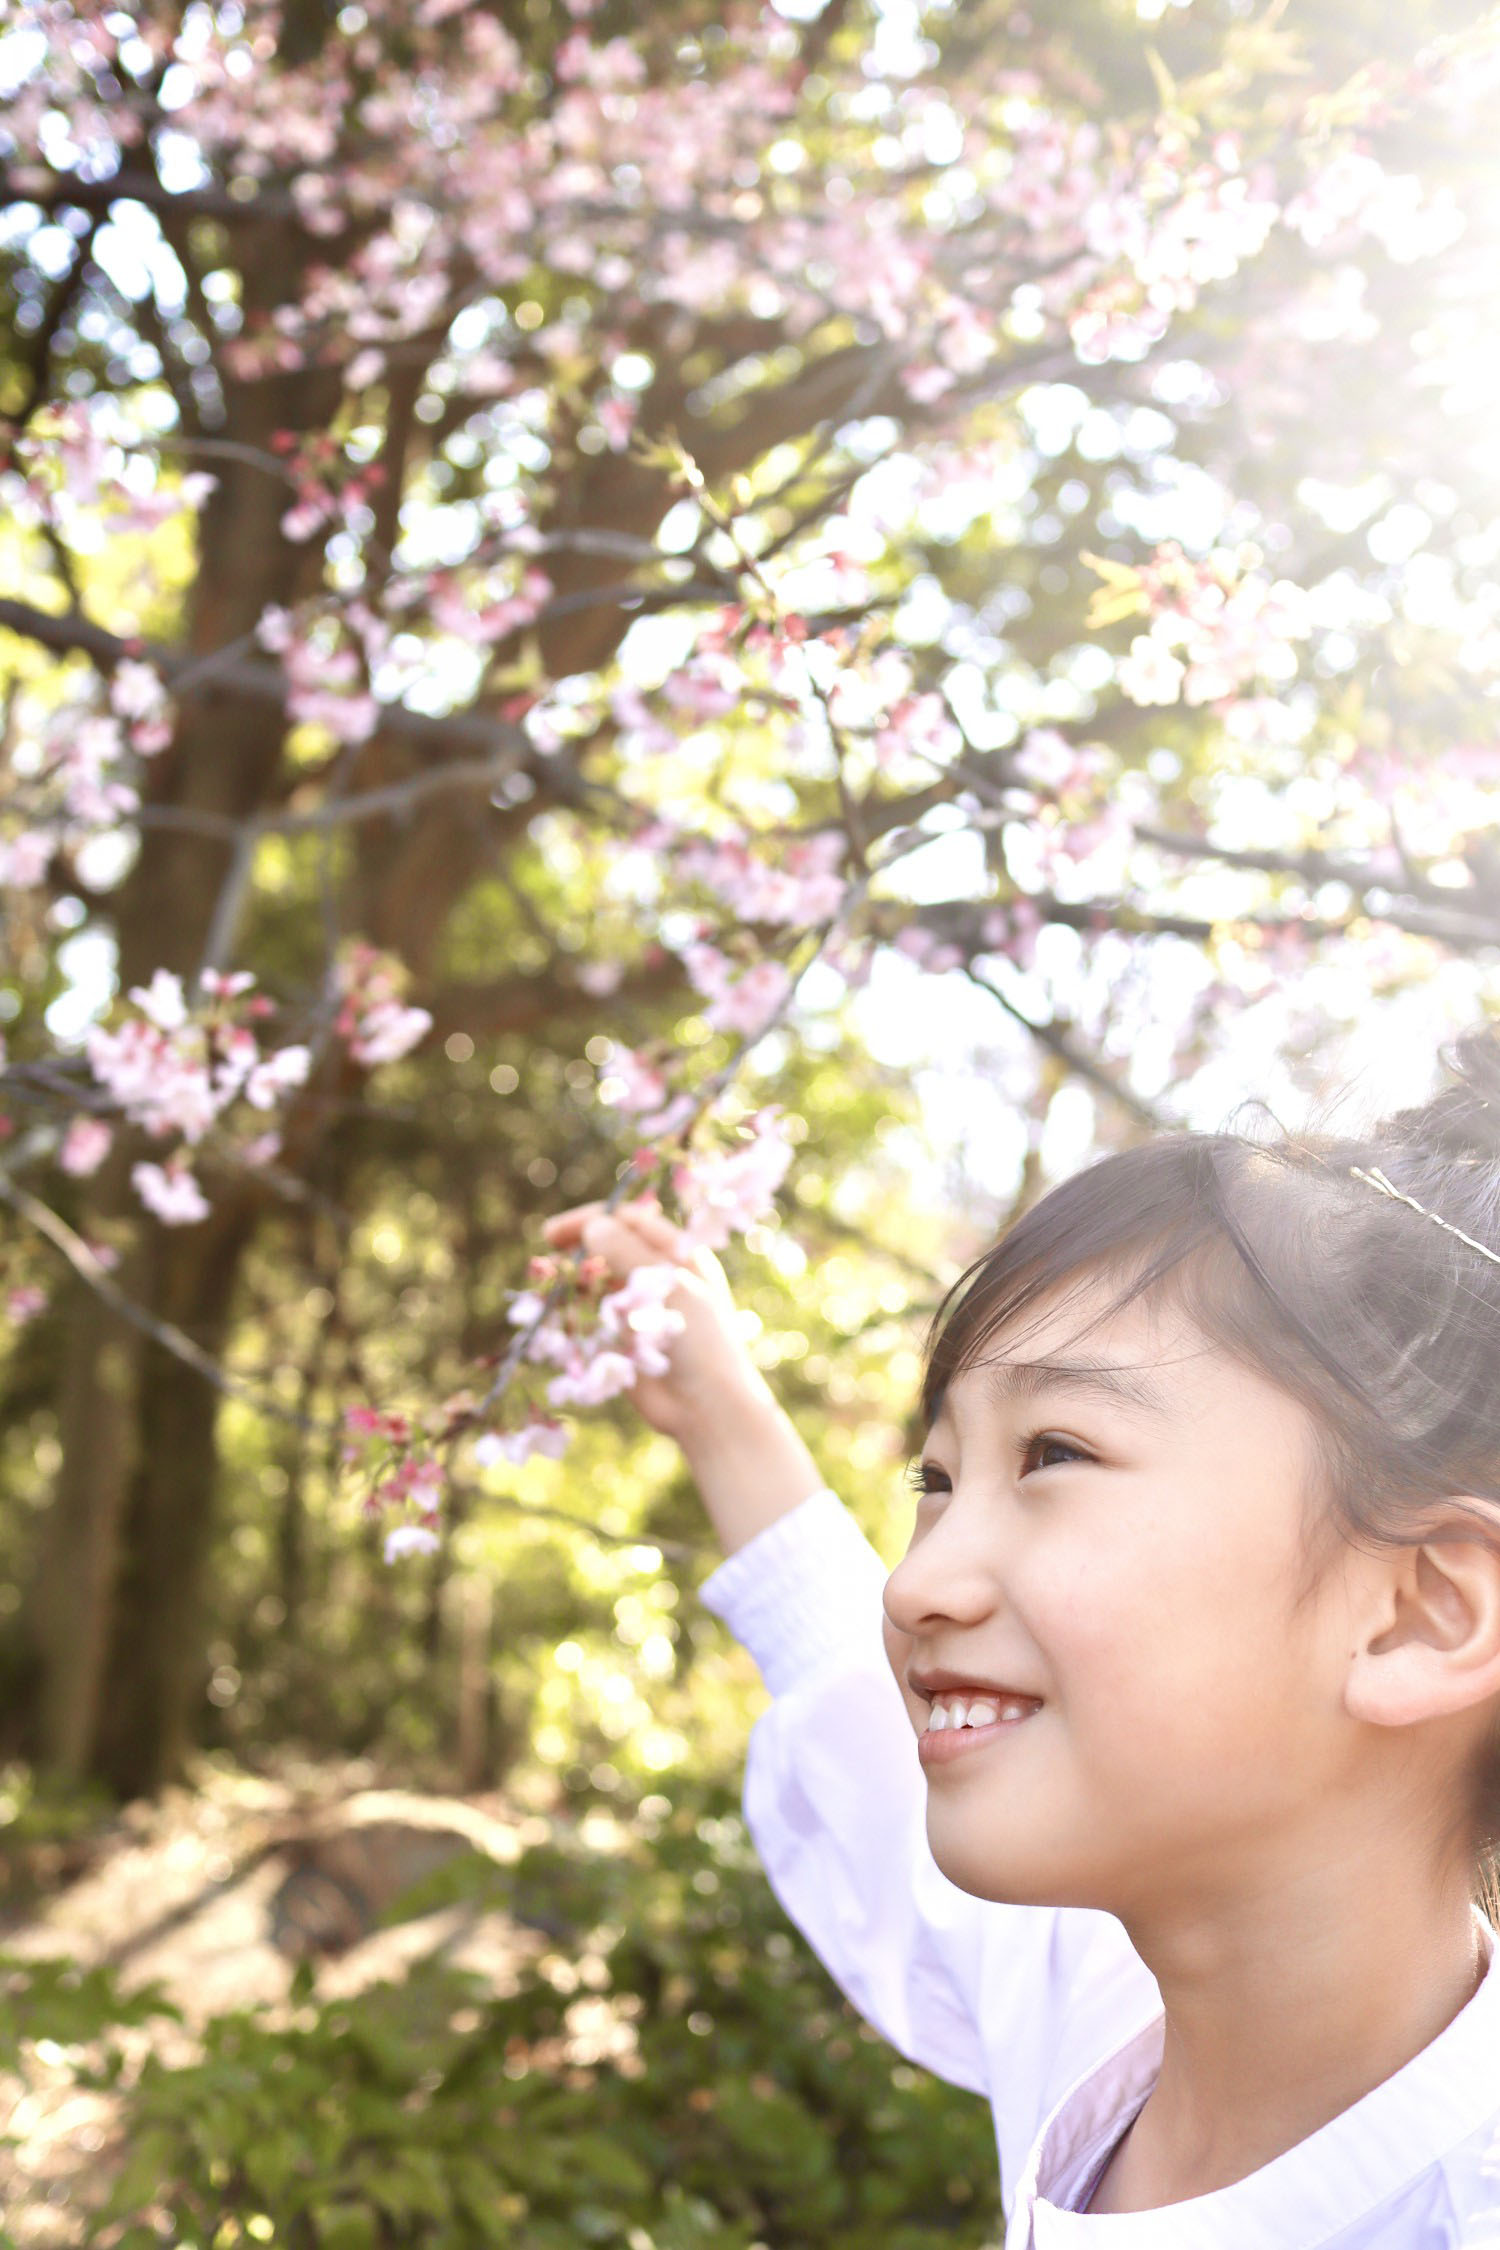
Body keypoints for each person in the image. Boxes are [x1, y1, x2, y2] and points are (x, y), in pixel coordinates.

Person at [543, 1031, 1500, 2247]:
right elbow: (868, 1748)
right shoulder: (1108, 2030)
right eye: (935, 1479)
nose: (918, 1584)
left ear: (1420, 1612)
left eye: (1056, 1454)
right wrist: (719, 1413)